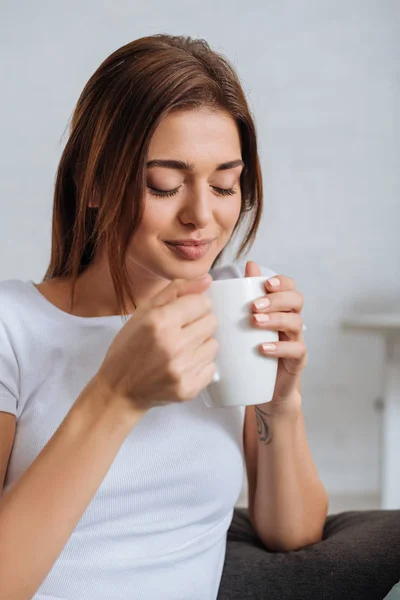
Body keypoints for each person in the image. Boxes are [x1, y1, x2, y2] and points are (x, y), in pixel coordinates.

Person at [0, 34, 328, 600]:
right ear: (97, 181)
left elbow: (292, 531)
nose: (201, 215)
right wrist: (117, 394)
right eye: (165, 184)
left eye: (225, 183)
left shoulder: (232, 307)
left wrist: (280, 404)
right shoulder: (14, 326)